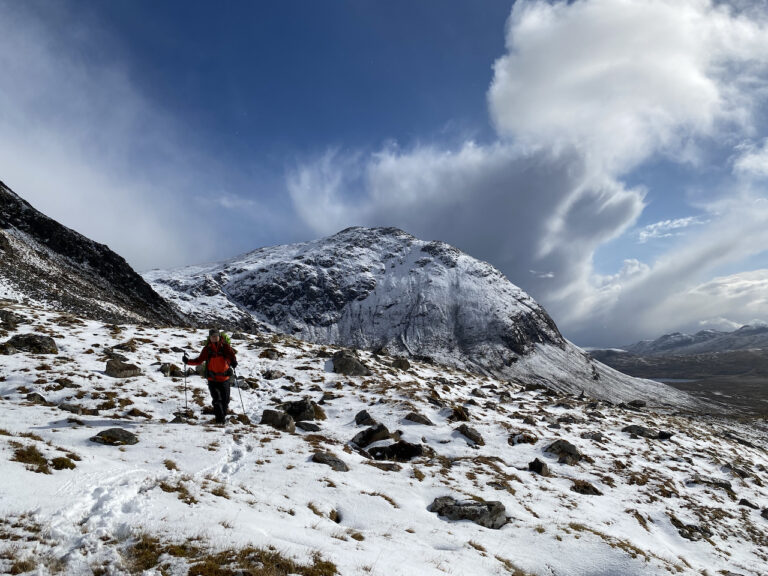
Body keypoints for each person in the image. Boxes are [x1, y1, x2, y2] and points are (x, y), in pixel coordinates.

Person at [183, 329, 237, 424]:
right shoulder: (207, 349)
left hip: (225, 379)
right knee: (217, 400)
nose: (214, 338)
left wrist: (234, 362)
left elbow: (232, 356)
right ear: (210, 338)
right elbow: (199, 360)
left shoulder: (225, 347)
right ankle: (220, 421)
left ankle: (222, 418)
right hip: (213, 379)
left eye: (216, 336)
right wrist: (187, 361)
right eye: (212, 336)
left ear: (219, 337)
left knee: (225, 401)